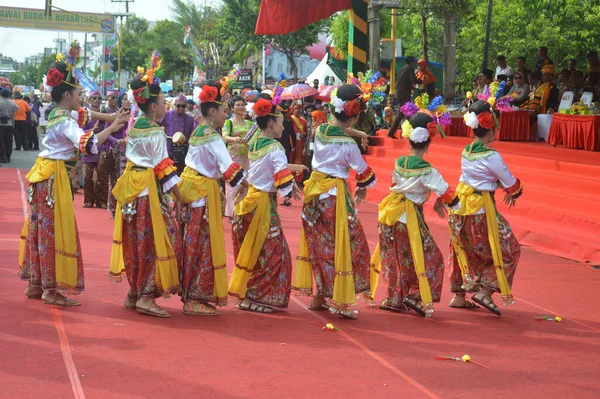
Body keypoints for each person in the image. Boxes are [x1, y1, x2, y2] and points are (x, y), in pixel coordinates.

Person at [19, 57, 125, 306]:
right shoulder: (65, 121)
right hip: (53, 179)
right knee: (56, 230)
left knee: (41, 229)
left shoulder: (59, 112)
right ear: (67, 95)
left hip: (46, 176)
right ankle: (51, 291)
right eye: (79, 93)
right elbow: (88, 143)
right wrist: (111, 128)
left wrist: (110, 118)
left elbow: (86, 113)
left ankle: (37, 284)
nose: (82, 98)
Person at [109, 53, 183, 318]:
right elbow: (162, 167)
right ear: (153, 106)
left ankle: (134, 293)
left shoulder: (137, 125)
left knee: (136, 243)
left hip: (132, 191)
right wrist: (180, 195)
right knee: (157, 243)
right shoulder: (152, 129)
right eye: (164, 101)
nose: (166, 105)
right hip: (147, 193)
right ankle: (146, 296)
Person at [292, 84, 376, 319]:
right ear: (355, 115)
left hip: (314, 194)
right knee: (347, 245)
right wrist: (363, 189)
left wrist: (356, 133)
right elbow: (365, 173)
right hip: (335, 197)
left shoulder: (320, 130)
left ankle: (321, 294)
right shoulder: (349, 146)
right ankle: (340, 298)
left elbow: (336, 130)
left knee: (319, 245)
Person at [369, 112, 459, 317]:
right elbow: (448, 193)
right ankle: (414, 294)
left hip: (389, 214)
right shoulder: (427, 169)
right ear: (428, 143)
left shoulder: (400, 162)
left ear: (409, 139)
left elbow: (394, 183)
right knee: (431, 258)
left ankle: (394, 297)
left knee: (395, 258)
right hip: (408, 218)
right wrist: (445, 202)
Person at [229, 96, 307, 313]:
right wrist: (289, 188)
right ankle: (258, 297)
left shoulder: (255, 143)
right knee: (274, 254)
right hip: (263, 204)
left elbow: (270, 167)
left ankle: (246, 295)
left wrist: (294, 168)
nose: (284, 126)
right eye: (282, 122)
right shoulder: (274, 147)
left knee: (254, 250)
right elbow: (279, 172)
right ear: (272, 124)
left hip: (248, 201)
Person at [178, 80, 247, 316]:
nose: (226, 114)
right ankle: (194, 298)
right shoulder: (212, 136)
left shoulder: (199, 131)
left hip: (195, 190)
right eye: (224, 110)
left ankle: (194, 295)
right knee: (201, 243)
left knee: (194, 242)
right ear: (212, 111)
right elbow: (228, 166)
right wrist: (245, 184)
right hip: (201, 195)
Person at [449, 100, 522, 316]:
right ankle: (485, 290)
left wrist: (497, 184)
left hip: (460, 207)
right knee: (510, 249)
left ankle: (459, 296)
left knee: (464, 250)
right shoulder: (492, 156)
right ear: (490, 128)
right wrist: (509, 189)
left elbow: (478, 177)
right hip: (480, 211)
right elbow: (512, 184)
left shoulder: (466, 150)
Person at [222, 95, 252, 221]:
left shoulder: (250, 123)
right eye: (238, 105)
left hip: (246, 156)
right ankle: (231, 212)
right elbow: (224, 136)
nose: (241, 107)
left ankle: (243, 209)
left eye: (242, 104)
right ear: (232, 108)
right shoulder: (229, 122)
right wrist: (235, 139)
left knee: (246, 182)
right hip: (233, 156)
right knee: (232, 184)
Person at [81, 90, 109, 208]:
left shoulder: (106, 114)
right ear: (89, 100)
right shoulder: (85, 115)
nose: (97, 100)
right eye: (94, 98)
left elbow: (109, 130)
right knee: (88, 177)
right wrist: (92, 129)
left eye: (99, 98)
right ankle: (88, 200)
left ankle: (101, 200)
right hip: (88, 150)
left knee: (102, 177)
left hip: (101, 149)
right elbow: (80, 132)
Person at [106, 91, 132, 217]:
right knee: (116, 179)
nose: (127, 101)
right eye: (125, 99)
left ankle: (125, 206)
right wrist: (117, 141)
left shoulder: (134, 116)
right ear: (120, 101)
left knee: (127, 179)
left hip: (130, 152)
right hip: (116, 151)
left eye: (129, 99)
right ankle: (114, 207)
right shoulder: (113, 116)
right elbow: (107, 133)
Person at [159, 93, 196, 174]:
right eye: (178, 106)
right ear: (175, 105)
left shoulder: (190, 119)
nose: (180, 108)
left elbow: (192, 135)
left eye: (183, 106)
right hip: (169, 150)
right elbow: (157, 124)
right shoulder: (167, 115)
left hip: (183, 151)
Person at [388, 56, 417, 138]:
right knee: (402, 113)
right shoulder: (410, 69)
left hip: (398, 93)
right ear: (411, 62)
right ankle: (405, 132)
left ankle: (404, 131)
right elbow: (413, 81)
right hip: (404, 94)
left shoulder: (400, 69)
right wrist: (421, 81)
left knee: (406, 113)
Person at [290, 100, 308, 183]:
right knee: (292, 159)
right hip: (292, 143)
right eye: (296, 108)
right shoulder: (290, 119)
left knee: (301, 159)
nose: (297, 110)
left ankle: (299, 179)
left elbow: (306, 133)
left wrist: (303, 134)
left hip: (300, 143)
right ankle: (291, 178)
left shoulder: (303, 121)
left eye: (299, 109)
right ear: (292, 109)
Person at [0, 88, 18, 163]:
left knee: (1, 141)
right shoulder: (11, 102)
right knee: (9, 141)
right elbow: (17, 108)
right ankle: (8, 156)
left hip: (1, 123)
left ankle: (2, 156)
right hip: (9, 123)